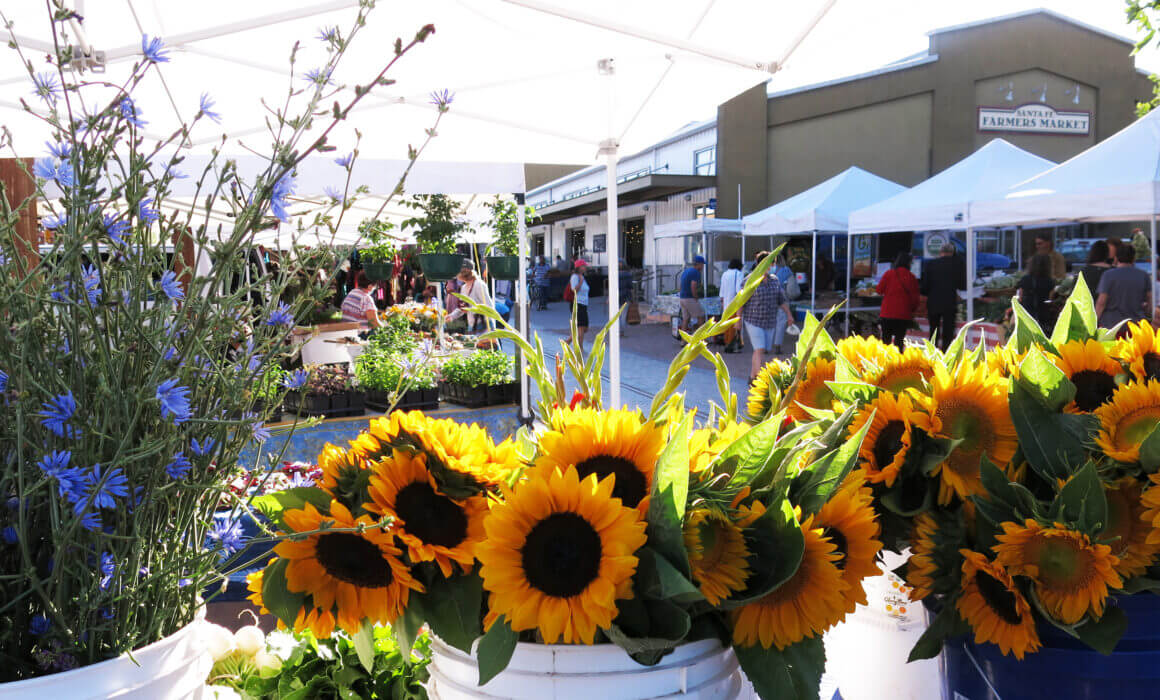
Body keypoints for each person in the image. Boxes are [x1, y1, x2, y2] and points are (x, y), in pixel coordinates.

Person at [742, 251, 794, 383]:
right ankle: (760, 381)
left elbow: (781, 300)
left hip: (770, 321)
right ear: (760, 263)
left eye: (773, 263)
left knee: (761, 350)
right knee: (759, 349)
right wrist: (737, 320)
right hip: (753, 320)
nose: (771, 266)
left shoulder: (774, 280)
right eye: (769, 263)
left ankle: (752, 377)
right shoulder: (749, 281)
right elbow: (741, 302)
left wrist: (789, 315)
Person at [921, 243, 966, 351]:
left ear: (940, 252)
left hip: (934, 302)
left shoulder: (931, 264)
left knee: (933, 330)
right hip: (949, 302)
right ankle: (946, 354)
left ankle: (932, 353)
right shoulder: (958, 264)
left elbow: (924, 287)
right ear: (952, 253)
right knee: (948, 332)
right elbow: (962, 285)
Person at [1096, 244, 1152, 331]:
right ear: (1133, 258)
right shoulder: (1143, 275)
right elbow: (1149, 301)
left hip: (1111, 325)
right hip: (1136, 325)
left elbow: (1101, 302)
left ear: (1116, 258)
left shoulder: (1108, 275)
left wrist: (1095, 321)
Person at [877, 252, 920, 350]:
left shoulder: (888, 274)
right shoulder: (911, 277)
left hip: (887, 313)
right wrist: (912, 311)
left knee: (885, 341)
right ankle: (898, 363)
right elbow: (915, 299)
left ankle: (884, 362)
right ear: (908, 263)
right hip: (903, 314)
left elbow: (879, 290)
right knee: (899, 341)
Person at [446, 260, 493, 332]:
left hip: (484, 325)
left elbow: (488, 306)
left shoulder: (479, 284)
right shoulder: (464, 287)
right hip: (472, 325)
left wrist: (470, 309)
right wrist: (451, 316)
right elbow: (462, 307)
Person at [1017, 254, 1057, 329]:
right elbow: (1050, 299)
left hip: (1026, 314)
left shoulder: (1025, 279)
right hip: (1043, 316)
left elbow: (1020, 298)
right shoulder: (1050, 281)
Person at [718, 259, 745, 353]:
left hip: (726, 304)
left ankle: (727, 344)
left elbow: (721, 293)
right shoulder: (738, 274)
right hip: (734, 304)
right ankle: (733, 346)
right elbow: (740, 291)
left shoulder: (724, 274)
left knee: (728, 327)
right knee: (735, 327)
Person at [678, 255, 707, 333]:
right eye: (702, 264)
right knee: (701, 316)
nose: (703, 266)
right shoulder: (696, 272)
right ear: (699, 264)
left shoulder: (686, 271)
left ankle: (683, 341)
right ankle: (700, 338)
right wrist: (696, 297)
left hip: (682, 298)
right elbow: (693, 285)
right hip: (689, 298)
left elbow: (680, 286)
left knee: (686, 319)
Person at [569, 260, 591, 350]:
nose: (585, 268)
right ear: (579, 267)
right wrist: (581, 281)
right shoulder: (575, 277)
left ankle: (568, 341)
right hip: (577, 304)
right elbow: (574, 290)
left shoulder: (582, 276)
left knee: (584, 328)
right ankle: (580, 347)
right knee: (581, 327)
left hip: (583, 304)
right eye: (583, 266)